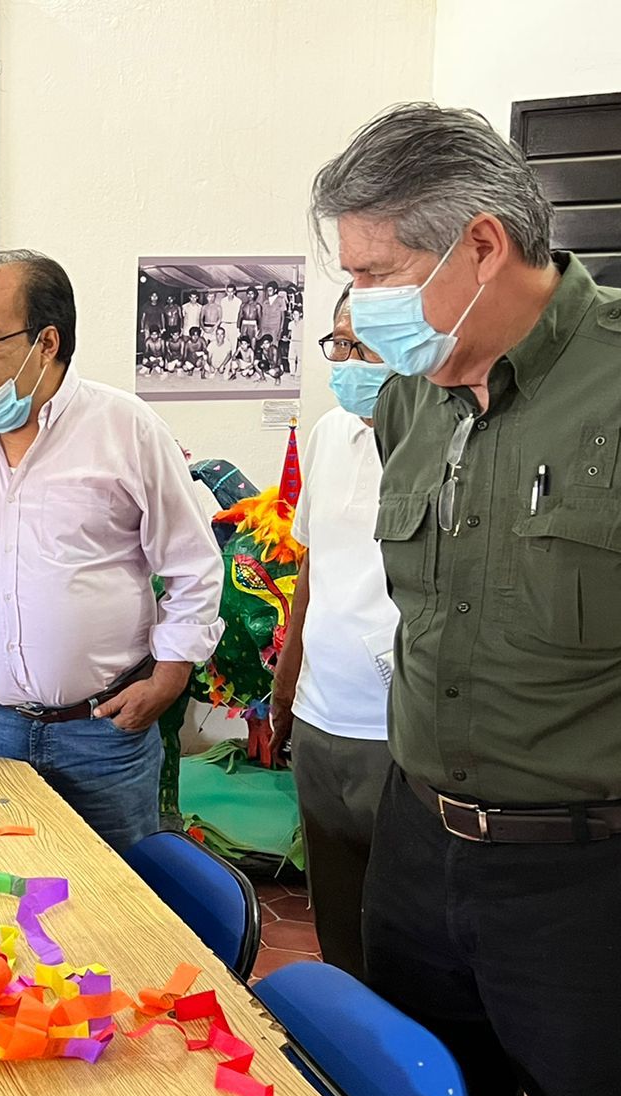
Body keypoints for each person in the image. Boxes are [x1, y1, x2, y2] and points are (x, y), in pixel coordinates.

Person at [311, 101, 621, 1096]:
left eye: (377, 271)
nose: (363, 304)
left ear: (481, 243)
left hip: (598, 873)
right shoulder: (413, 398)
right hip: (422, 845)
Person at [0, 250, 223, 854]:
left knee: (122, 911)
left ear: (47, 342)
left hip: (104, 732)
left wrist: (169, 677)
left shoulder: (127, 429)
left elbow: (192, 563)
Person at [267, 285, 394, 977]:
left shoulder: (445, 444)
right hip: (322, 717)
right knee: (338, 920)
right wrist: (286, 685)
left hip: (399, 733)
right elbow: (312, 564)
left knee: (406, 931)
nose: (344, 362)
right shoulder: (330, 434)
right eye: (337, 345)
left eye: (361, 346)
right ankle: (349, 1057)